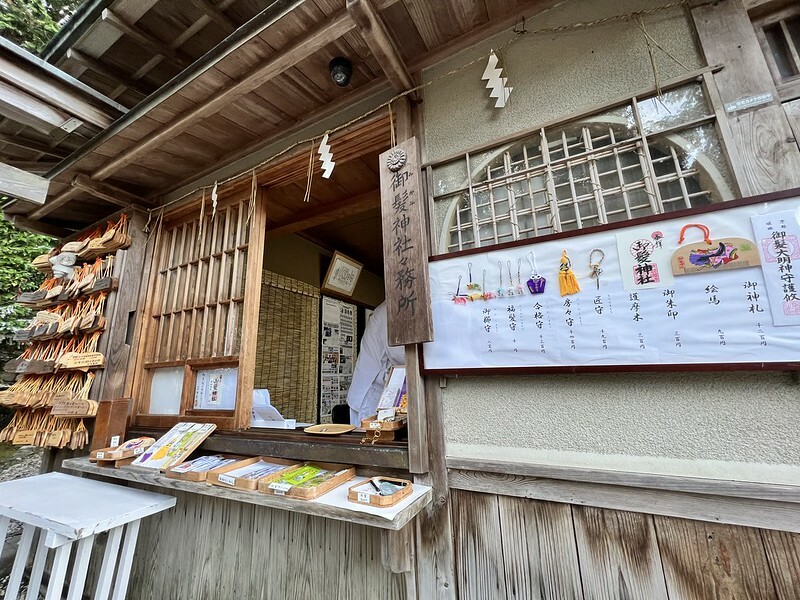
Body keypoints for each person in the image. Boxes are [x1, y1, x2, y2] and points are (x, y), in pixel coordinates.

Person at [347, 301, 404, 425]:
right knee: (369, 437)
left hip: (381, 389)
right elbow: (399, 353)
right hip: (370, 390)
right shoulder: (390, 309)